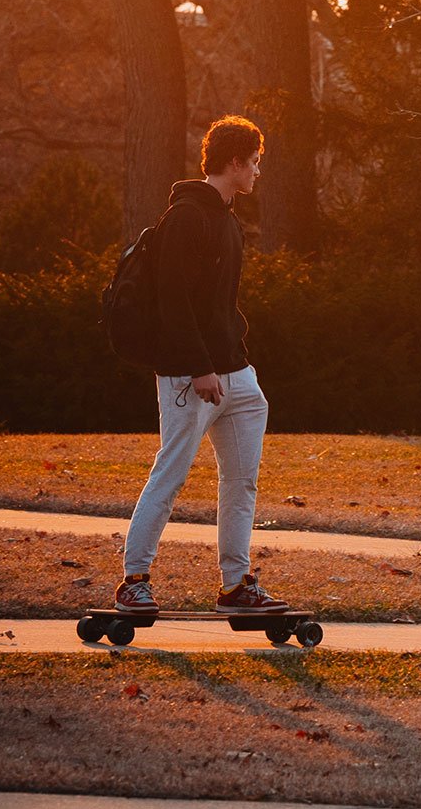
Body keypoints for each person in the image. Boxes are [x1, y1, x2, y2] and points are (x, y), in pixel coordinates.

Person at [114, 116, 291, 615]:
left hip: (235, 375)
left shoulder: (228, 220)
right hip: (191, 376)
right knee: (170, 473)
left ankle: (236, 586)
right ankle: (135, 580)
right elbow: (175, 302)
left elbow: (219, 305)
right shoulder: (186, 218)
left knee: (242, 482)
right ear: (234, 162)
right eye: (254, 162)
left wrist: (235, 354)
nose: (257, 172)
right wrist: (199, 367)